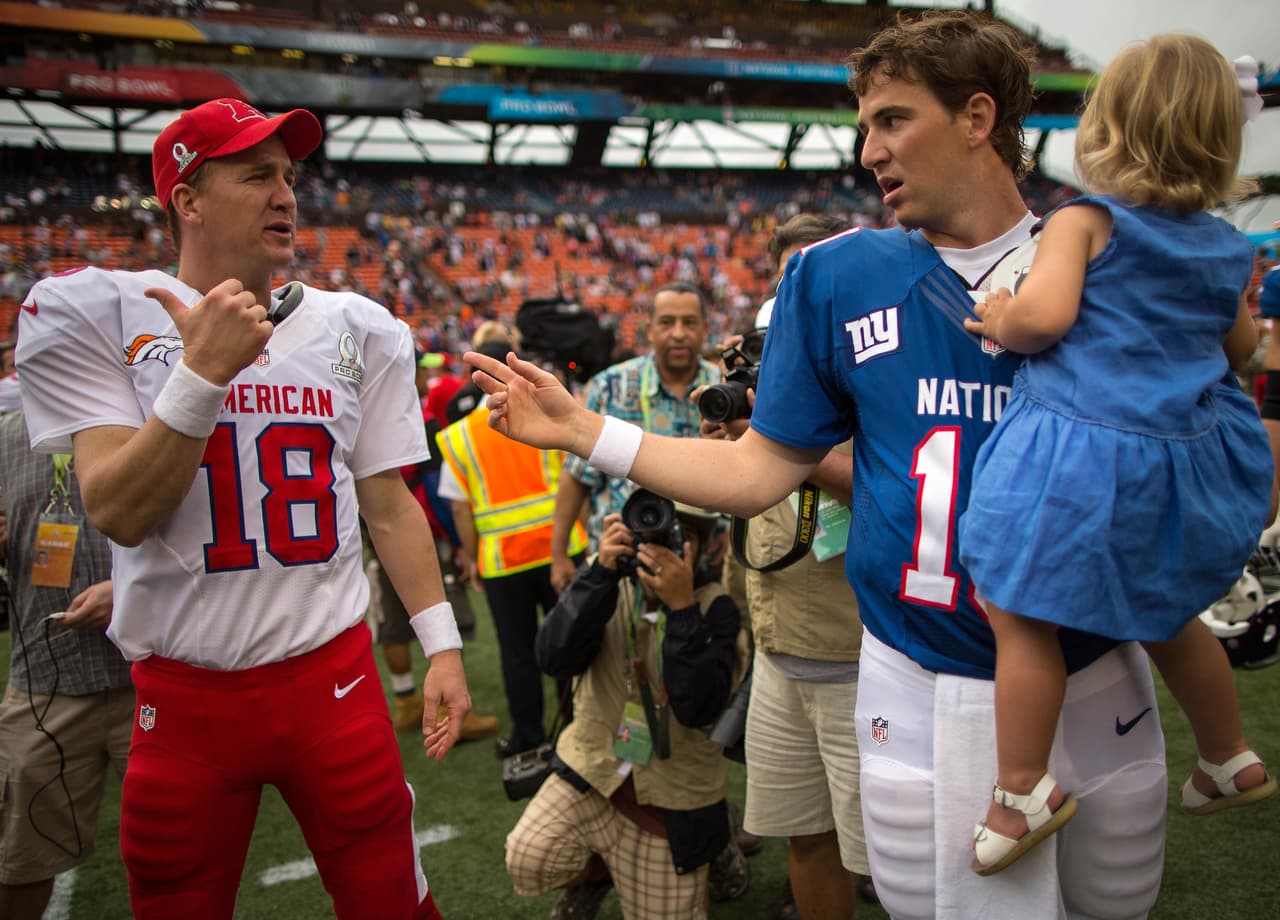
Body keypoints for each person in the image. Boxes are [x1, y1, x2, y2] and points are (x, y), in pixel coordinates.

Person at [468, 12, 1171, 918]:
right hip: (925, 668)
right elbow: (759, 469)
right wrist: (585, 433)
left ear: (977, 117)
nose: (869, 149)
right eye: (864, 123)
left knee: (1119, 906)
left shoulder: (1104, 256)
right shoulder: (836, 276)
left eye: (892, 119)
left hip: (1096, 660)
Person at [15, 97, 470, 920]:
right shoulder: (99, 312)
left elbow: (390, 506)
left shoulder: (356, 327)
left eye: (288, 177)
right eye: (255, 175)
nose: (285, 195)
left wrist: (442, 646)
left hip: (331, 678)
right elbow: (118, 509)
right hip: (184, 701)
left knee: (393, 902)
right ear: (186, 199)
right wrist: (201, 377)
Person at [958, 34, 1276, 875]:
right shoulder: (1224, 246)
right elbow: (1241, 346)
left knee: (1019, 609)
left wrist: (999, 313)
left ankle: (1022, 788)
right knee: (1167, 611)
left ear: (1109, 130)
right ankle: (1227, 754)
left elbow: (1046, 319)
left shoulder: (1084, 220)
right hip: (1182, 461)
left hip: (1079, 456)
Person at [716, 213, 875, 920]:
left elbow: (896, 495)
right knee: (805, 841)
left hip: (859, 655)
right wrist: (735, 436)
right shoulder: (772, 367)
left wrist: (783, 445)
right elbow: (746, 509)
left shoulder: (879, 369)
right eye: (789, 279)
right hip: (779, 651)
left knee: (888, 861)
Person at [505, 498, 745, 919]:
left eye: (680, 537)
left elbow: (697, 707)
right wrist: (597, 572)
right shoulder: (608, 586)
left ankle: (714, 844)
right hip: (596, 769)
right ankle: (595, 874)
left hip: (672, 795)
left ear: (706, 547)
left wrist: (683, 609)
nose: (661, 547)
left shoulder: (716, 607)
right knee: (530, 855)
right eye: (650, 533)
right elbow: (552, 659)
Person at [0, 411, 129, 920]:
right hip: (44, 683)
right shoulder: (8, 434)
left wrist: (132, 594)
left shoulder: (146, 413)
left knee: (185, 852)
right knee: (20, 864)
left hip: (149, 679)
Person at [436, 356, 590, 757]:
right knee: (569, 645)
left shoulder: (459, 436)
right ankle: (576, 732)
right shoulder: (546, 415)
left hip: (503, 562)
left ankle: (529, 737)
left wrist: (470, 557)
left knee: (517, 653)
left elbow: (459, 509)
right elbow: (577, 478)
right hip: (563, 550)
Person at [549, 282, 719, 592]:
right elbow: (576, 475)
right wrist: (558, 553)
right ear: (650, 329)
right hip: (620, 566)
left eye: (689, 322)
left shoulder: (721, 391)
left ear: (705, 329)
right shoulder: (610, 387)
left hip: (702, 568)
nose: (679, 333)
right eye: (667, 322)